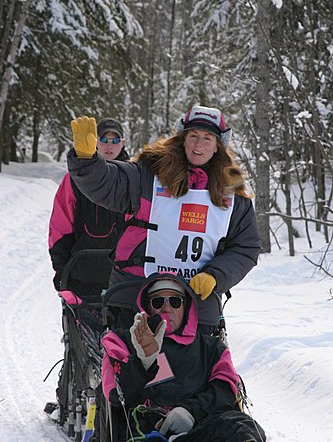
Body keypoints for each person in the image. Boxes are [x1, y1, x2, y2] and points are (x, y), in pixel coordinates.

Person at [67, 106, 261, 330]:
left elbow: (245, 247)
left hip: (196, 295)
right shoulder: (149, 174)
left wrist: (215, 276)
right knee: (125, 359)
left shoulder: (232, 191)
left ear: (218, 146)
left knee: (206, 360)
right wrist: (86, 161)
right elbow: (108, 184)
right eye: (193, 136)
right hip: (136, 288)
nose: (199, 145)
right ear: (183, 139)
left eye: (207, 138)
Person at [100, 272, 266, 441]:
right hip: (146, 431)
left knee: (244, 427)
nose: (166, 308)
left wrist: (189, 411)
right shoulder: (121, 341)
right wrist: (144, 361)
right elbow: (115, 394)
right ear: (146, 306)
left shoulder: (212, 349)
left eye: (175, 301)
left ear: (186, 307)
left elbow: (226, 391)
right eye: (157, 302)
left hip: (200, 427)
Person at [49, 117, 130, 296]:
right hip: (80, 277)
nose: (110, 145)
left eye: (115, 140)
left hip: (122, 279)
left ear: (123, 143)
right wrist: (61, 268)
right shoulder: (74, 180)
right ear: (95, 142)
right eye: (104, 140)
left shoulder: (132, 178)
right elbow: (60, 226)